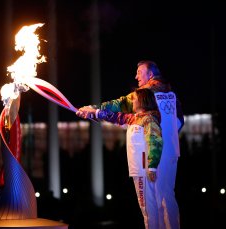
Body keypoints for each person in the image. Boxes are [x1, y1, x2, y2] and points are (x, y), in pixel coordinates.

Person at [77, 60, 184, 229]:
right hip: (170, 152)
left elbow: (119, 105)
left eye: (139, 72)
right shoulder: (171, 94)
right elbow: (179, 121)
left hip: (151, 154)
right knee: (166, 197)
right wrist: (95, 113)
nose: (136, 76)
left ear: (150, 74)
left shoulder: (145, 94)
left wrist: (95, 108)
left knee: (151, 202)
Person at [78, 88, 162, 228]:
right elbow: (114, 117)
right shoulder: (134, 118)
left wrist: (152, 166)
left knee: (148, 209)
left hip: (144, 170)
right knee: (147, 209)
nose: (132, 101)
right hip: (138, 170)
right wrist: (92, 112)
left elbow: (155, 141)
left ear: (142, 100)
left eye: (134, 98)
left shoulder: (149, 119)